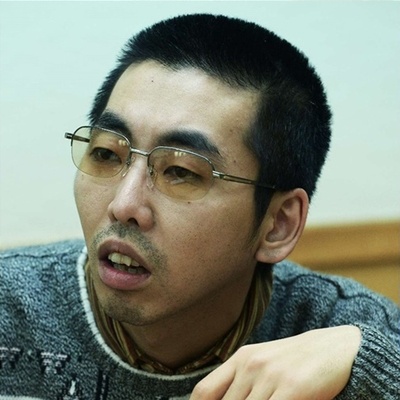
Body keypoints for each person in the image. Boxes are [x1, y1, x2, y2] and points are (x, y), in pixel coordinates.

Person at [0, 13, 399, 400]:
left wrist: (368, 366)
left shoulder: (341, 337)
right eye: (107, 153)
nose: (124, 205)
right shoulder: (11, 305)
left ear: (277, 223)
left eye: (180, 171)